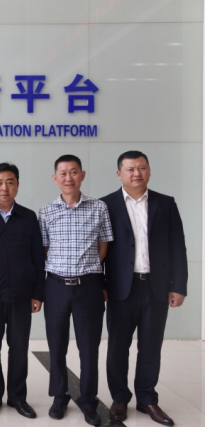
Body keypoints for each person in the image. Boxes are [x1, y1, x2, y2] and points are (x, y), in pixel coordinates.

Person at [101, 151, 187, 426]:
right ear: (119, 174)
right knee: (118, 347)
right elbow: (98, 251)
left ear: (149, 171)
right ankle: (119, 398)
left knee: (151, 346)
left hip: (156, 286)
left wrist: (179, 286)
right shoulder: (105, 205)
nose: (136, 173)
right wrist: (101, 286)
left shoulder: (166, 203)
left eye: (141, 168)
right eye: (130, 169)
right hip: (119, 289)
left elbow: (177, 246)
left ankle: (147, 398)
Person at [38, 154, 113, 426]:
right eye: (63, 173)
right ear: (55, 178)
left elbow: (103, 246)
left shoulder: (99, 208)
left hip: (88, 287)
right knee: (56, 346)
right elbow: (45, 249)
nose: (68, 178)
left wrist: (88, 269)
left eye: (73, 172)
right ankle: (60, 396)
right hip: (56, 286)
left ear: (82, 175)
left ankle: (89, 401)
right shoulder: (46, 212)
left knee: (89, 348)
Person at [0, 163, 45, 419]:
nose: (4, 187)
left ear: (17, 185)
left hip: (21, 295)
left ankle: (17, 397)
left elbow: (38, 258)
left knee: (19, 348)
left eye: (10, 182)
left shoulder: (28, 217)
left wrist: (38, 293)